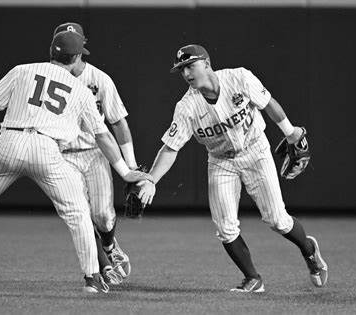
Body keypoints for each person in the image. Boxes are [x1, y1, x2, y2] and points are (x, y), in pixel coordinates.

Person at [0, 31, 152, 294]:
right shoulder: (80, 89)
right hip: (48, 150)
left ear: (51, 51)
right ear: (77, 56)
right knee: (78, 212)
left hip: (8, 142)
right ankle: (92, 278)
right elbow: (102, 134)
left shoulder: (22, 70)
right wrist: (126, 172)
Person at [138, 44, 328, 293]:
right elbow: (170, 148)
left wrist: (291, 133)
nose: (186, 74)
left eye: (190, 66)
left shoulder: (239, 77)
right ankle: (253, 279)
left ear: (206, 63)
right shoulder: (187, 107)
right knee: (225, 228)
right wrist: (152, 179)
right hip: (220, 161)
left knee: (277, 220)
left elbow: (268, 103)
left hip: (256, 151)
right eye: (181, 69)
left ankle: (309, 249)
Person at [52, 22, 136, 282]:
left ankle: (110, 245)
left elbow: (118, 121)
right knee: (79, 213)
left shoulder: (99, 79)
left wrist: (130, 165)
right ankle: (101, 265)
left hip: (95, 152)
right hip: (62, 155)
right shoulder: (47, 77)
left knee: (102, 214)